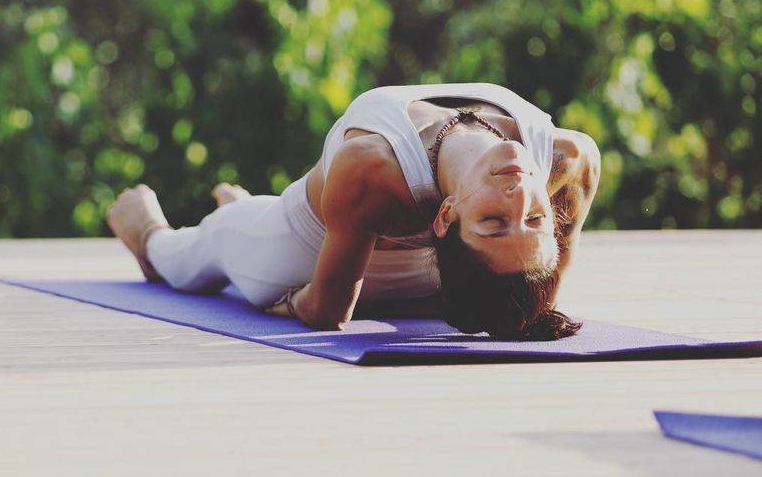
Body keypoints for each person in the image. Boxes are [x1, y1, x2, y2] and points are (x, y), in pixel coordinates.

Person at [106, 83, 600, 340]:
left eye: (494, 223)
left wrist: (284, 301)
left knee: (187, 252)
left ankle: (147, 229)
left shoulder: (377, 170)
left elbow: (324, 312)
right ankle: (237, 215)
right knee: (208, 244)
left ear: (447, 217)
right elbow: (537, 282)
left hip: (327, 259)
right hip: (370, 261)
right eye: (535, 221)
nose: (517, 200)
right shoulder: (567, 161)